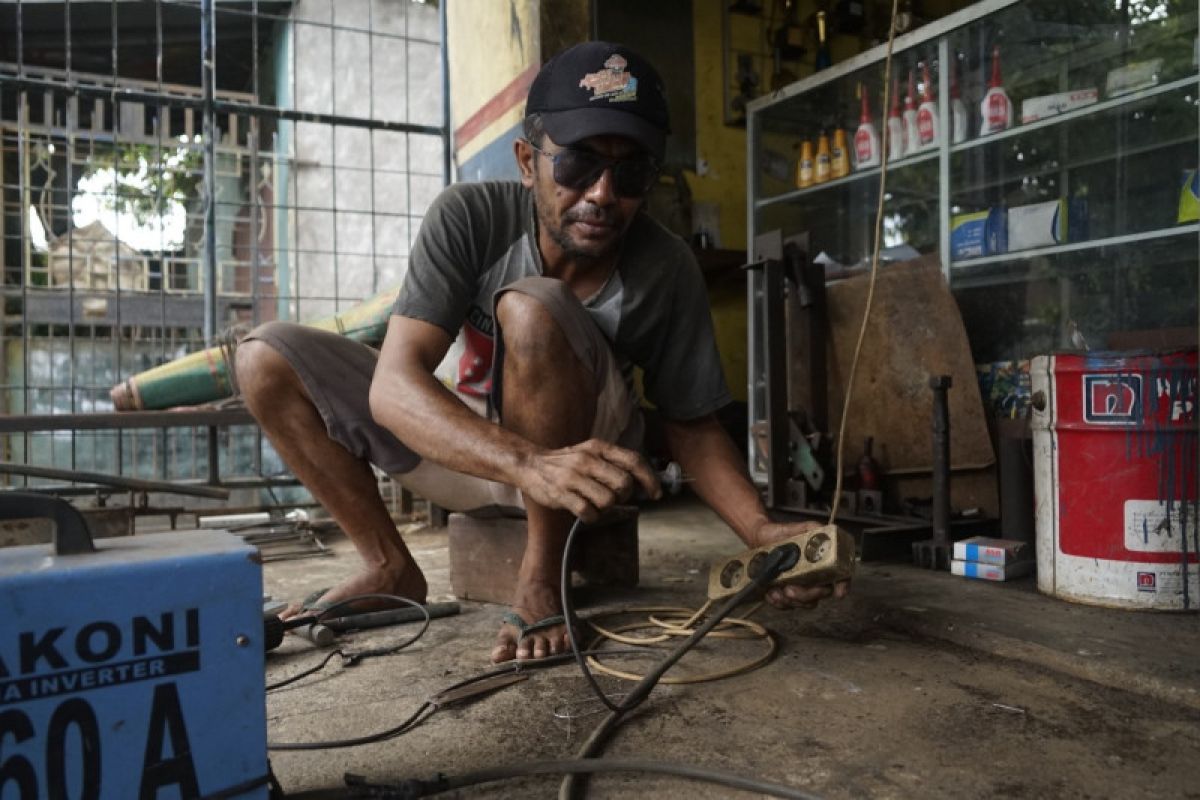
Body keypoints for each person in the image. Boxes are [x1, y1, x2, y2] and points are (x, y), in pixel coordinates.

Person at [236, 41, 849, 664]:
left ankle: (542, 575)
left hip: (588, 473)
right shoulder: (469, 216)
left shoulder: (665, 266)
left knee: (533, 306)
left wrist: (761, 533)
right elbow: (394, 386)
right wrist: (528, 462)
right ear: (528, 162)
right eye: (578, 164)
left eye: (631, 171)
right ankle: (389, 567)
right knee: (265, 358)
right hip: (483, 454)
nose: (604, 193)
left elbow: (692, 424)